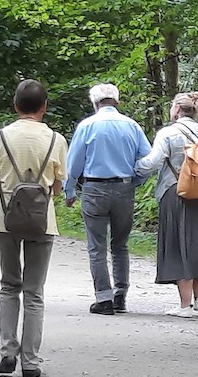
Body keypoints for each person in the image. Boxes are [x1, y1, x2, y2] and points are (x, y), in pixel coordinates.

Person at [0, 79, 68, 377]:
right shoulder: (56, 139)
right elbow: (57, 188)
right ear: (44, 107)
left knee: (9, 286)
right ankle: (30, 362)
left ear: (16, 105)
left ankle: (7, 352)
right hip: (42, 220)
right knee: (34, 291)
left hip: (3, 219)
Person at [135, 92, 198, 317]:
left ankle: (184, 305)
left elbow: (153, 162)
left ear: (177, 110)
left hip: (177, 194)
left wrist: (133, 166)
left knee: (179, 244)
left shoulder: (168, 133)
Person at [64, 83, 151, 315]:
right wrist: (135, 180)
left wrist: (69, 190)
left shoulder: (87, 126)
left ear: (95, 103)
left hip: (94, 188)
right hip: (124, 189)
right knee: (120, 245)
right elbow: (148, 159)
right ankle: (120, 295)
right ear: (117, 101)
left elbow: (74, 163)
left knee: (97, 246)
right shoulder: (132, 126)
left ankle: (103, 298)